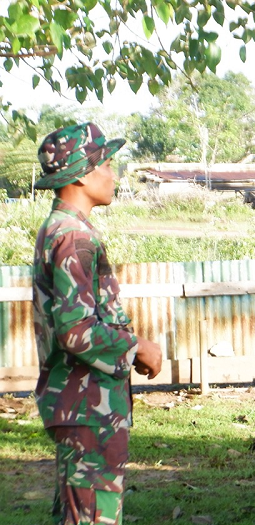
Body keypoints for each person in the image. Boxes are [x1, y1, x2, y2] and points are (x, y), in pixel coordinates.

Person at [33, 122, 163, 524]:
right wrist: (138, 347)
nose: (113, 175)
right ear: (83, 173)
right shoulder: (73, 237)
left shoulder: (61, 229)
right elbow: (76, 330)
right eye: (107, 165)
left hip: (81, 405)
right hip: (87, 406)